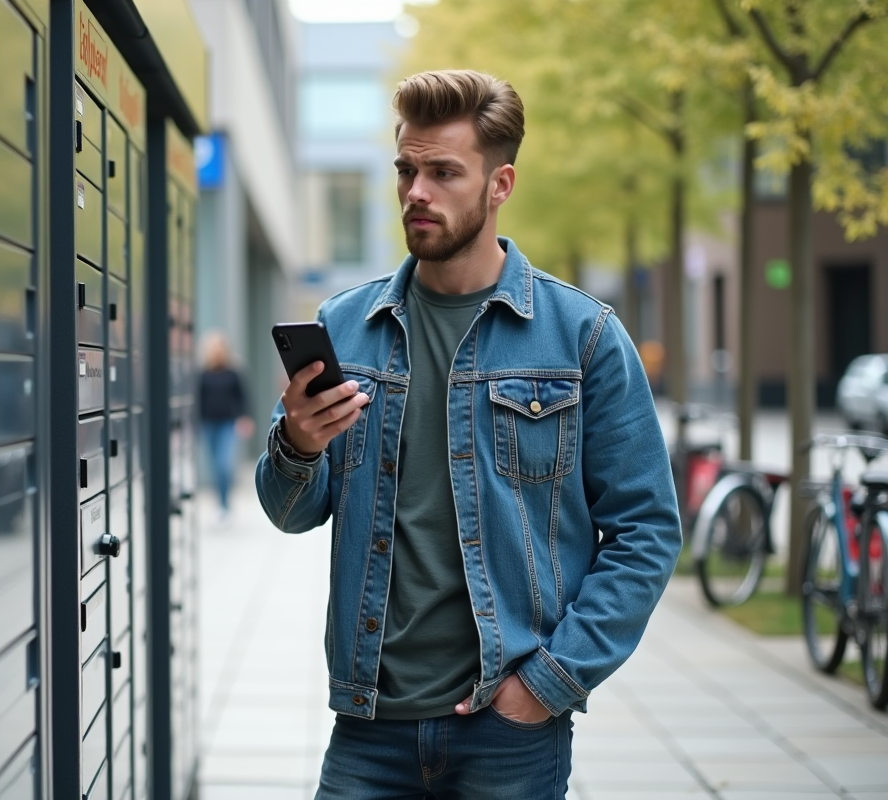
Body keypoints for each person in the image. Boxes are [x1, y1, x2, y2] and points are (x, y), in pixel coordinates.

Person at [254, 70, 681, 800]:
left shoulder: (583, 339)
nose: (416, 191)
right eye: (407, 169)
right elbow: (290, 513)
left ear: (499, 184)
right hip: (369, 725)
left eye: (443, 172)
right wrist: (298, 443)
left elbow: (645, 530)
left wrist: (549, 683)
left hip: (506, 730)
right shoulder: (347, 327)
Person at [198, 332, 253, 520]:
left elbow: (242, 397)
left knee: (224, 465)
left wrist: (245, 418)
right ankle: (220, 503)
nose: (216, 352)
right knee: (214, 466)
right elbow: (198, 401)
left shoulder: (233, 373)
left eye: (219, 348)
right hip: (208, 425)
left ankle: (224, 505)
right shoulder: (203, 374)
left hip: (228, 424)